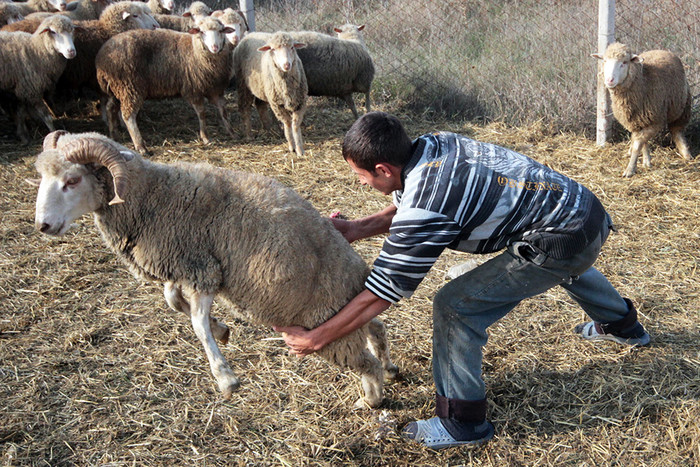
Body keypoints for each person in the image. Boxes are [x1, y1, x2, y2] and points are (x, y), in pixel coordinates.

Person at [273, 111, 650, 449]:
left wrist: (316, 337)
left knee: (454, 308)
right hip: (583, 210)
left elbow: (381, 293)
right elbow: (415, 207)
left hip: (562, 239)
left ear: (384, 169)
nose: (359, 183)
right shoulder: (435, 145)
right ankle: (623, 326)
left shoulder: (426, 201)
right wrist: (356, 228)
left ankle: (462, 422)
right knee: (565, 259)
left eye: (360, 175)